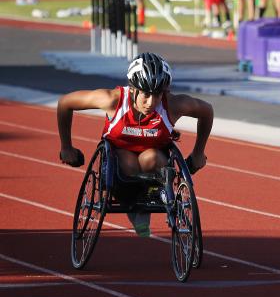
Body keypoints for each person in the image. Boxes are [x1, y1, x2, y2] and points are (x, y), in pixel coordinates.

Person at [57, 52, 214, 236]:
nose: (151, 103)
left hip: (155, 160)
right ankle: (136, 208)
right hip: (119, 163)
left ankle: (158, 196)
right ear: (133, 89)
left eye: (157, 95)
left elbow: (206, 111)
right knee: (129, 161)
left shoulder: (172, 105)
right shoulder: (112, 100)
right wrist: (66, 147)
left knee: (151, 157)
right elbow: (65, 103)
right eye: (146, 95)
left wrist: (198, 153)